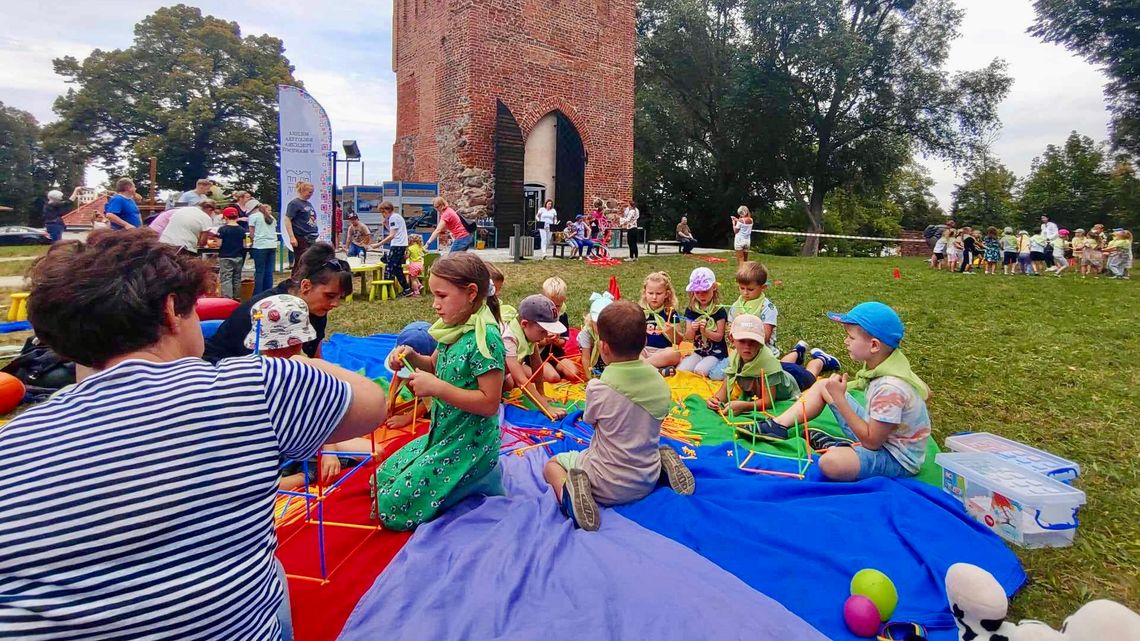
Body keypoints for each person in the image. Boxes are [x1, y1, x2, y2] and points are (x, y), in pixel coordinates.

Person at [3, 228, 385, 639]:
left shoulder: (13, 443)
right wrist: (295, 361)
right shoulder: (252, 386)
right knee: (272, 569)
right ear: (172, 311)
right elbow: (371, 402)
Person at [542, 299, 695, 532]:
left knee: (552, 465)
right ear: (644, 342)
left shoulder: (598, 389)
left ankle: (571, 497)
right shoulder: (661, 384)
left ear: (602, 348)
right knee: (646, 442)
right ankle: (661, 464)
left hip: (603, 484)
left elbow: (591, 422)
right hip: (646, 479)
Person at [379, 253, 506, 530]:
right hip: (444, 433)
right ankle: (462, 482)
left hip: (469, 444)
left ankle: (477, 476)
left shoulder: (486, 340)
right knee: (380, 477)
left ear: (471, 293)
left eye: (442, 296)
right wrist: (411, 356)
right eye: (432, 295)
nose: (435, 305)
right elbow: (434, 366)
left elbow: (489, 404)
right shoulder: (453, 329)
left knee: (391, 507)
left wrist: (437, 389)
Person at [750, 302, 932, 483]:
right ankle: (778, 426)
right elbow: (926, 393)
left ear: (874, 345)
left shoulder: (890, 388)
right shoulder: (890, 364)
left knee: (831, 463)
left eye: (851, 337)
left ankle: (841, 448)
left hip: (895, 457)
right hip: (878, 434)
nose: (846, 341)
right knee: (825, 386)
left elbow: (872, 443)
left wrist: (840, 399)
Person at [203, 243, 350, 362]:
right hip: (227, 366)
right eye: (330, 296)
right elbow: (266, 369)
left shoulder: (315, 307)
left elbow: (315, 351)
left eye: (340, 297)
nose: (335, 304)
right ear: (306, 286)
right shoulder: (269, 311)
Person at [707, 314, 804, 415]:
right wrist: (715, 400)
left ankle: (818, 358)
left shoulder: (769, 364)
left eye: (753, 341)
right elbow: (725, 390)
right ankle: (797, 352)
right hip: (776, 368)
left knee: (811, 374)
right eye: (742, 340)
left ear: (761, 341)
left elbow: (768, 401)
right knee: (783, 364)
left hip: (796, 378)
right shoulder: (734, 358)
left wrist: (744, 406)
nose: (747, 346)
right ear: (731, 339)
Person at [501, 295, 569, 420]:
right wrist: (546, 408)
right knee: (505, 386)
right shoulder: (509, 337)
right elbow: (521, 380)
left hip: (503, 371)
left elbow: (537, 364)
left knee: (508, 384)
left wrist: (541, 393)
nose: (546, 336)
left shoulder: (529, 333)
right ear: (525, 324)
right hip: (481, 374)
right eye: (543, 331)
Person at [679, 267, 729, 380]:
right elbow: (688, 336)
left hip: (716, 353)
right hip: (698, 351)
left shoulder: (718, 310)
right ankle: (698, 361)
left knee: (700, 370)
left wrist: (705, 331)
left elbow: (719, 337)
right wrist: (692, 328)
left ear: (714, 288)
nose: (701, 296)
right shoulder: (691, 309)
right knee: (682, 370)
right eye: (697, 292)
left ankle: (722, 364)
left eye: (705, 291)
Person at [640, 271, 684, 372]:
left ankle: (644, 367)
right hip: (644, 350)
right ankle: (657, 371)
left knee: (675, 353)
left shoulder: (670, 313)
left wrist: (671, 332)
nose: (654, 297)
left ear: (666, 294)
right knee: (630, 351)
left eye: (659, 293)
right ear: (644, 293)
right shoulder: (640, 312)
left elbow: (678, 341)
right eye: (650, 293)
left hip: (663, 352)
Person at [539, 277, 580, 383]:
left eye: (558, 305)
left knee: (574, 374)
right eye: (550, 304)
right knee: (554, 378)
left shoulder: (562, 315)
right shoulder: (536, 314)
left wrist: (557, 340)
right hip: (538, 357)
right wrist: (545, 341)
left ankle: (555, 370)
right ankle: (534, 373)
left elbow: (563, 341)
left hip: (557, 355)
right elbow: (529, 344)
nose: (554, 309)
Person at [726, 261, 775, 346]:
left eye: (750, 289)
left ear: (763, 287)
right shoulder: (736, 305)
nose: (745, 293)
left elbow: (765, 337)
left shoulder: (767, 308)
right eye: (742, 288)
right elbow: (729, 329)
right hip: (740, 349)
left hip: (762, 350)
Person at [374, 201, 413, 297]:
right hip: (401, 244)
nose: (382, 215)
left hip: (397, 245)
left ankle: (389, 290)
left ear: (386, 211)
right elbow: (395, 231)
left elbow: (392, 235)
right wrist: (386, 225)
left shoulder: (393, 218)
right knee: (396, 267)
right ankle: (406, 288)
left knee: (391, 267)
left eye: (382, 212)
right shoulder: (396, 217)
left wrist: (378, 244)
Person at [577, 292, 614, 381]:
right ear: (591, 320)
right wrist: (589, 378)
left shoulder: (615, 329)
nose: (602, 328)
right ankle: (597, 367)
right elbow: (586, 358)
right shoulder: (587, 332)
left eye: (605, 324)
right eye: (598, 324)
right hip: (591, 349)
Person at [217, 207, 248, 300]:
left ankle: (227, 299)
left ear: (225, 217)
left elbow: (219, 244)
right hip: (238, 256)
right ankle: (237, 298)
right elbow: (245, 245)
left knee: (226, 278)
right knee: (237, 278)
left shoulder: (222, 229)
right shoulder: (242, 230)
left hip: (225, 256)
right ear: (237, 216)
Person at [285, 181, 319, 260]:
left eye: (312, 192)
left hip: (311, 237)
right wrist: (292, 237)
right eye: (310, 192)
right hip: (301, 237)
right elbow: (287, 219)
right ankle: (298, 273)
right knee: (301, 261)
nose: (311, 194)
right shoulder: (294, 203)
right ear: (302, 191)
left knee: (310, 260)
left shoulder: (308, 204)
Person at [249, 203, 278, 295]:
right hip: (272, 245)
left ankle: (257, 293)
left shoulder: (254, 216)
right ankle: (268, 292)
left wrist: (252, 241)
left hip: (260, 245)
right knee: (269, 271)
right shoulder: (272, 218)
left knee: (260, 271)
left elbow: (252, 233)